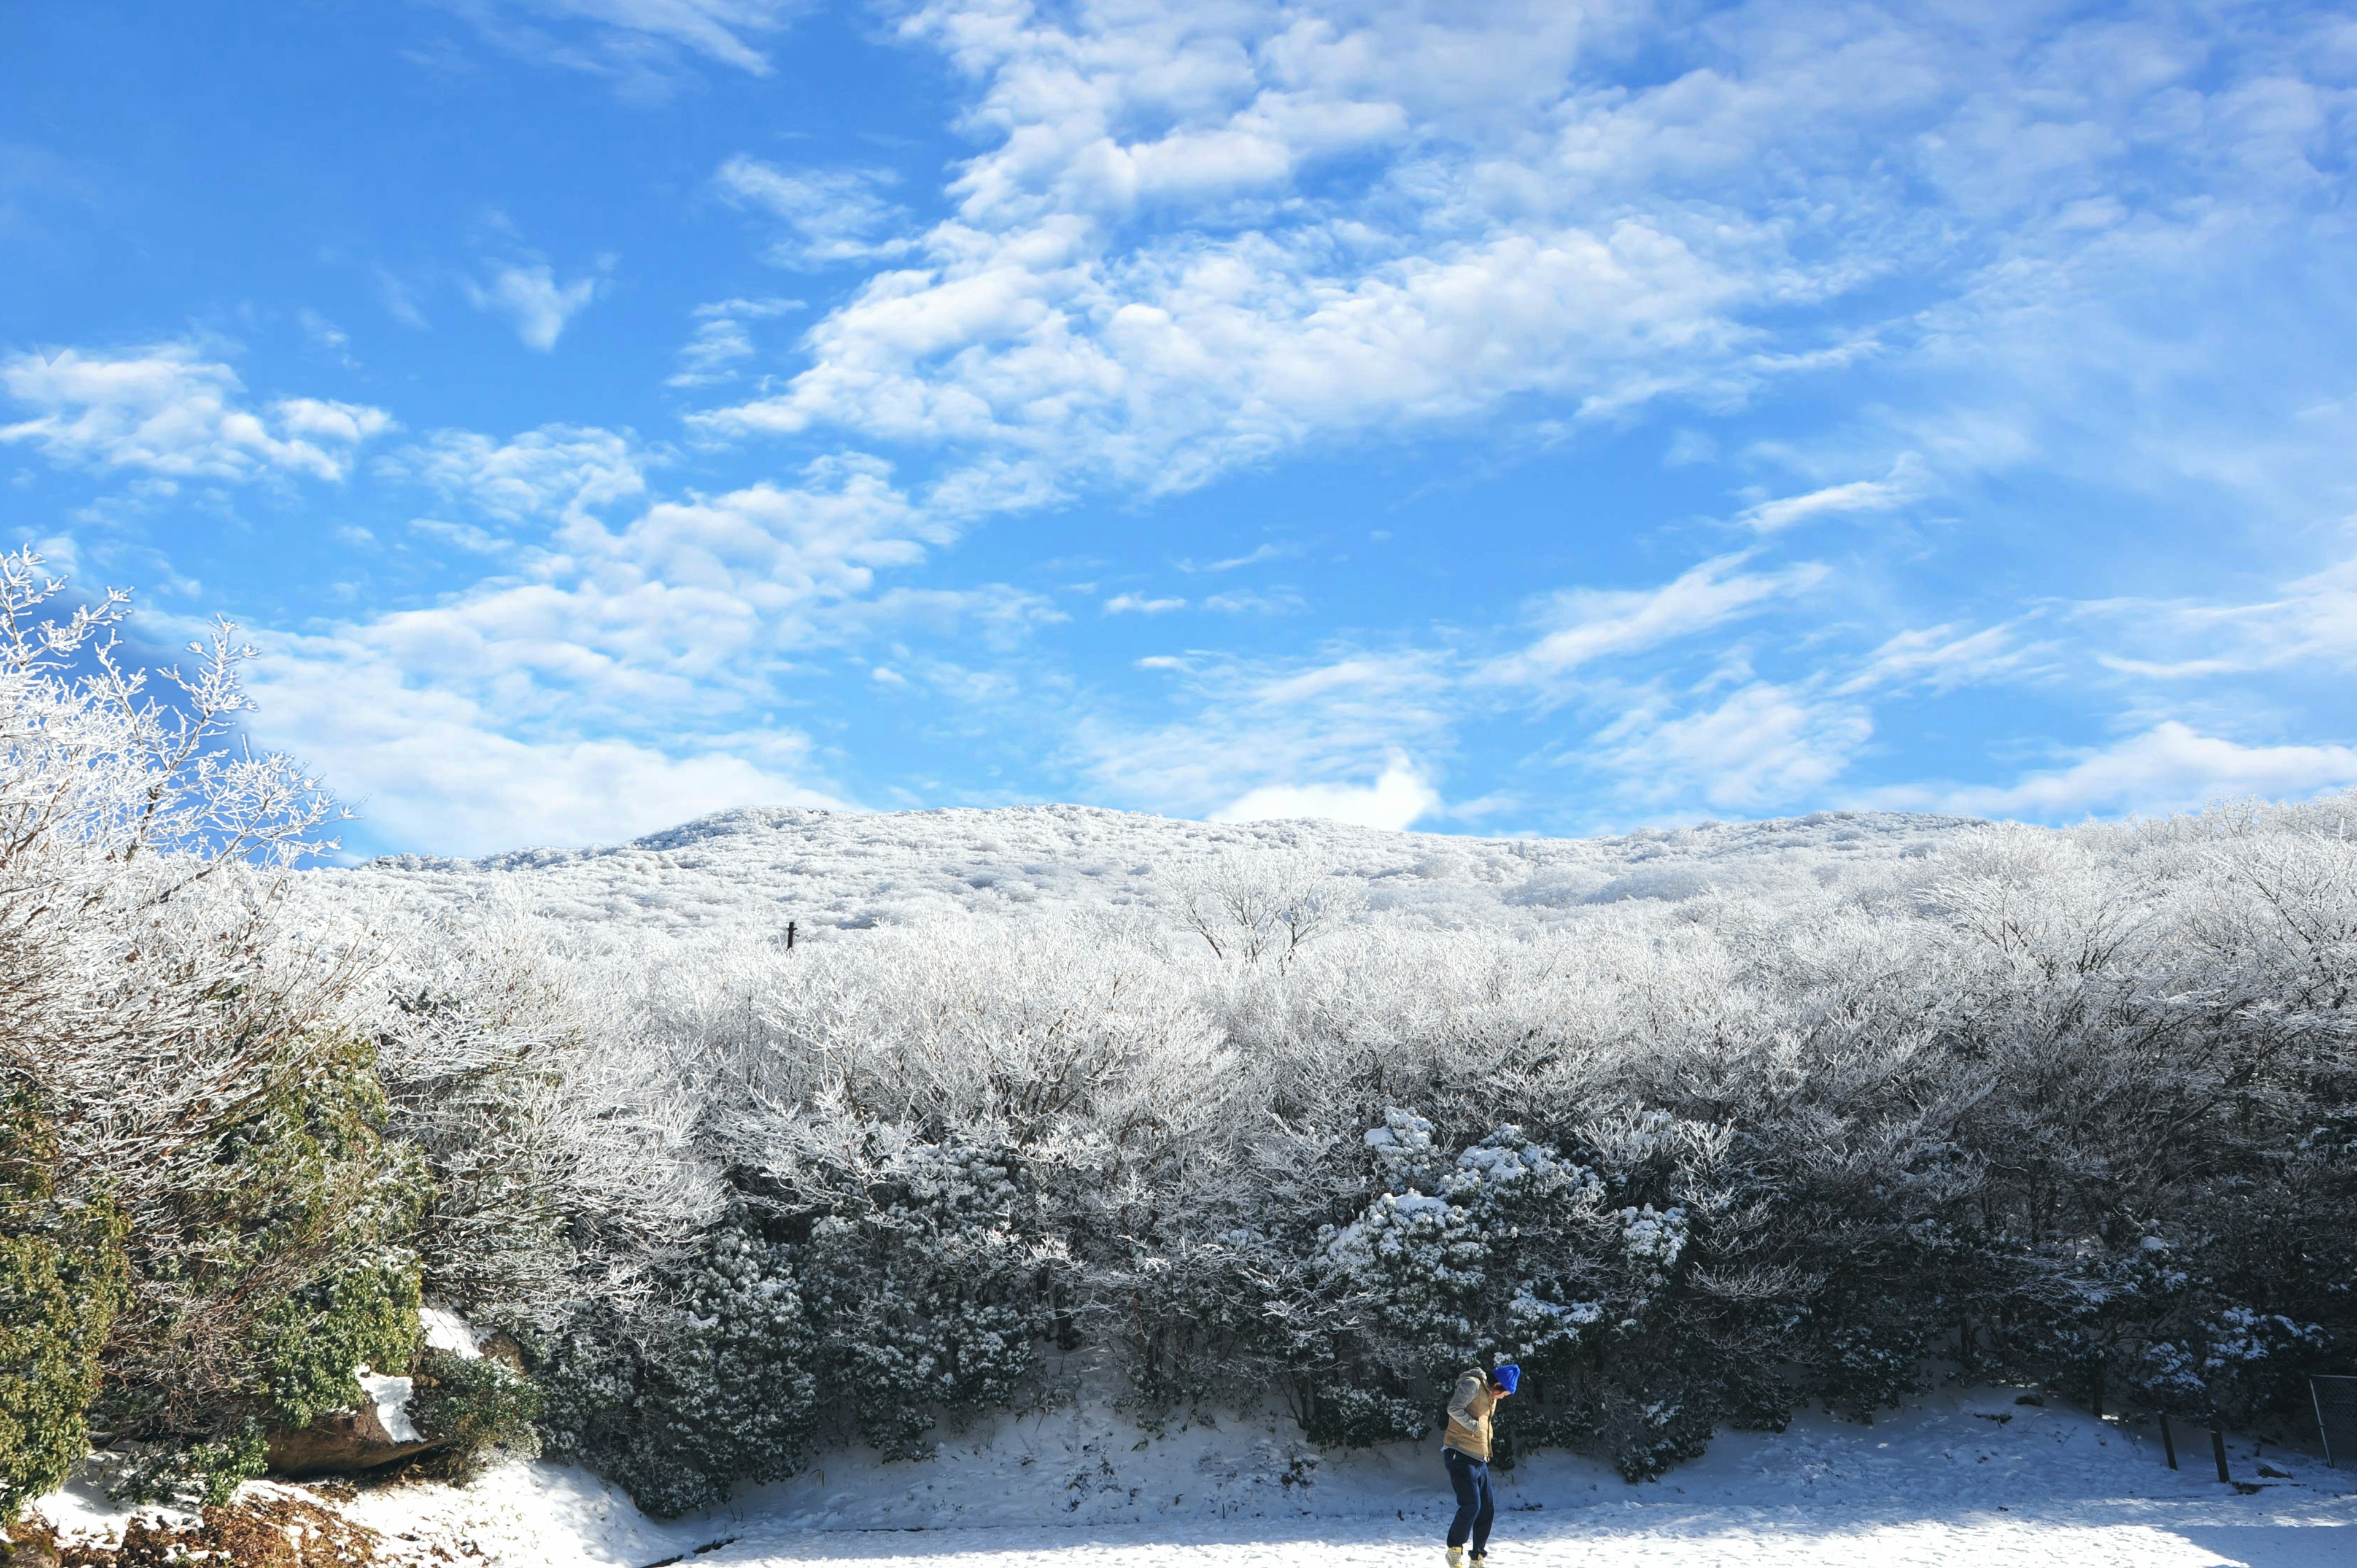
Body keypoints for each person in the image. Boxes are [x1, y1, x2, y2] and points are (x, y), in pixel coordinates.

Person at [1441, 1362, 1519, 1567]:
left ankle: (1477, 1559)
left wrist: (1487, 1449)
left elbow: (1485, 1425)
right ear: (1498, 1385)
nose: (1504, 1397)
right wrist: (1473, 1425)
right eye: (1506, 1393)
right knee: (1471, 1505)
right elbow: (1454, 1408)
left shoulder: (1491, 1397)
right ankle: (1454, 1552)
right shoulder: (1472, 1384)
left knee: (1487, 1509)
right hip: (1459, 1452)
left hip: (1479, 1458)